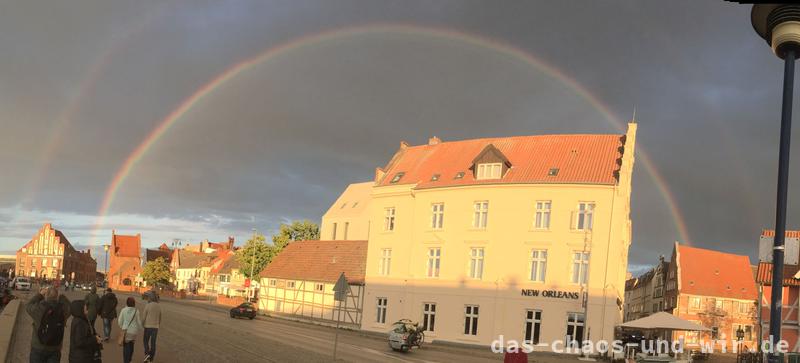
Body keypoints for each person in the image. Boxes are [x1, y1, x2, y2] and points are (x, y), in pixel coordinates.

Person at [26, 286, 70, 363]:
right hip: (55, 348)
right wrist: (62, 296)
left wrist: (39, 294)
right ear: (57, 297)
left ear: (46, 296)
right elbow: (70, 307)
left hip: (38, 346)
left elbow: (28, 305)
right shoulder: (63, 310)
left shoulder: (39, 308)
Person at [117, 297, 142, 363]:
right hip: (134, 332)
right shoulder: (136, 311)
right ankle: (129, 359)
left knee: (126, 347)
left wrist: (122, 327)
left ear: (127, 303)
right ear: (134, 303)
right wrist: (140, 328)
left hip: (126, 331)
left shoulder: (123, 310)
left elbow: (119, 321)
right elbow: (139, 322)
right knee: (131, 345)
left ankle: (126, 361)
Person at [141, 292, 162, 362]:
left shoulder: (148, 305)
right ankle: (151, 358)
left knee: (145, 341)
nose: (147, 299)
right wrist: (158, 324)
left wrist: (142, 324)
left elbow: (144, 316)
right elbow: (160, 317)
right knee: (153, 343)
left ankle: (147, 354)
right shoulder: (159, 306)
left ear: (150, 298)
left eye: (148, 298)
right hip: (155, 327)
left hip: (148, 326)